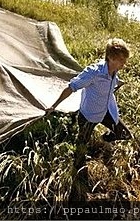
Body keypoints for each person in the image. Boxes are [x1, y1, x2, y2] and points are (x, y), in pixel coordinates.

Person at [45, 38, 133, 169]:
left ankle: (104, 140)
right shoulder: (93, 72)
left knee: (125, 134)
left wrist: (118, 83)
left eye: (124, 60)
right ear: (110, 57)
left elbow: (111, 83)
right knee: (81, 149)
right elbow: (71, 87)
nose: (123, 64)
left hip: (105, 112)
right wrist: (54, 105)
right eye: (121, 60)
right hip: (88, 117)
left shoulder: (114, 71)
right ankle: (77, 174)